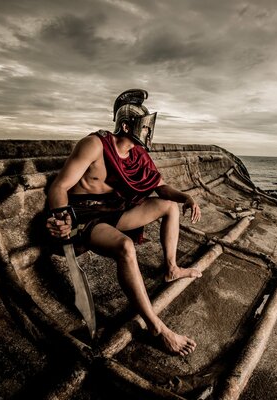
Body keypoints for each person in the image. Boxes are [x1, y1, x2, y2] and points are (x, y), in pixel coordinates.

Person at [46, 89, 201, 356]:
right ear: (127, 126)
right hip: (85, 217)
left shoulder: (139, 155)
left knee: (170, 206)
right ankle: (157, 328)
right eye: (144, 126)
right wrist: (61, 218)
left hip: (115, 211)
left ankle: (172, 268)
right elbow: (59, 187)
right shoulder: (94, 145)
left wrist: (186, 197)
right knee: (126, 248)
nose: (148, 132)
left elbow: (161, 188)